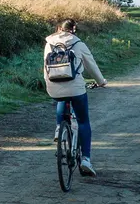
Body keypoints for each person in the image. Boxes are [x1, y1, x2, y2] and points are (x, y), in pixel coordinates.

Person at [44, 19, 108, 178]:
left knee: (61, 98)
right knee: (83, 121)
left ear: (59, 28)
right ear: (74, 30)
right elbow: (91, 65)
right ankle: (86, 159)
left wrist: (49, 84)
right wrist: (101, 82)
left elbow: (45, 66)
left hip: (52, 87)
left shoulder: (49, 43)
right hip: (76, 88)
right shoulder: (79, 44)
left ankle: (59, 128)